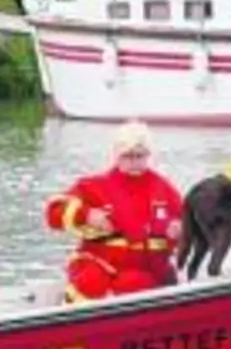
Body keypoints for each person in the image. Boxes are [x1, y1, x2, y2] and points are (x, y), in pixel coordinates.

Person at [44, 120, 185, 303]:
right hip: (98, 264)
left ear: (148, 155)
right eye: (127, 156)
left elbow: (188, 223)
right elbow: (53, 213)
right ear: (116, 155)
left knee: (134, 284)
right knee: (90, 283)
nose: (134, 162)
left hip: (145, 270)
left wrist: (180, 229)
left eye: (139, 156)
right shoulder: (95, 186)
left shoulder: (163, 188)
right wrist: (86, 215)